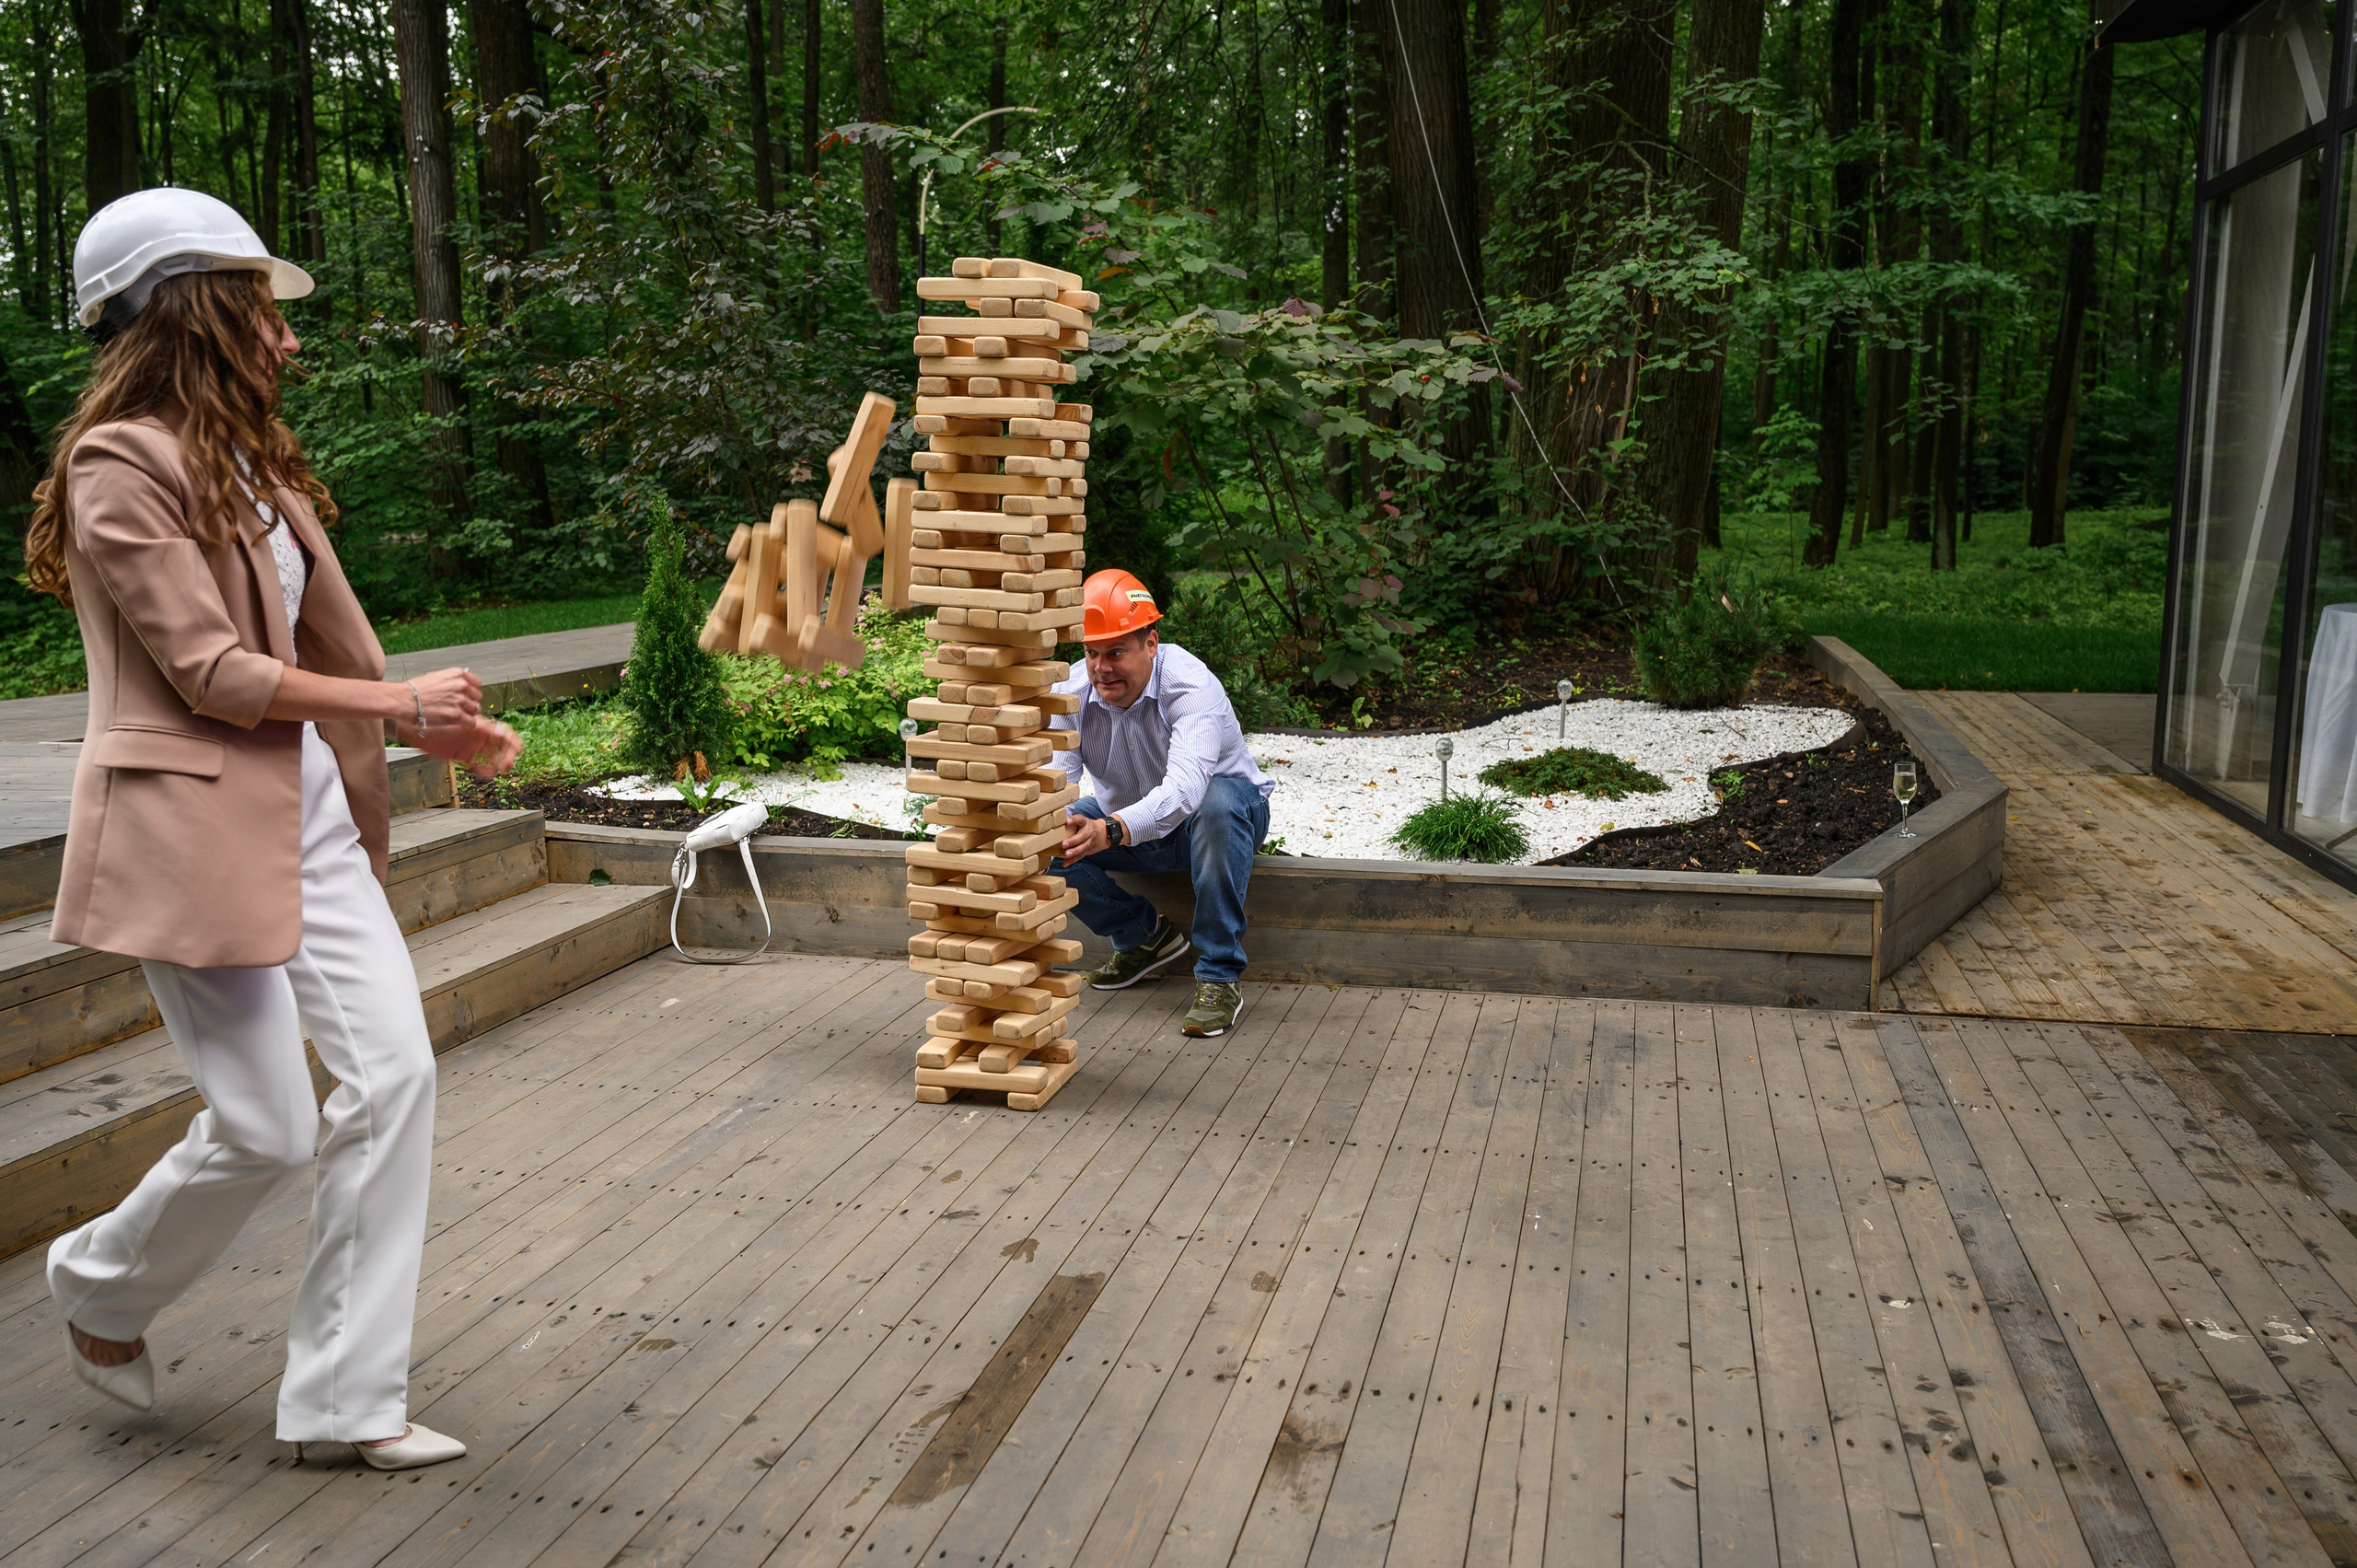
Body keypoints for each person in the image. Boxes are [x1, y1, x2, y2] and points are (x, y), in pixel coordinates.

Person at [21, 188, 521, 1470]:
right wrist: (398, 703)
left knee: (395, 1077)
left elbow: (319, 650)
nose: (289, 336)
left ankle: (348, 1399)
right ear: (187, 310)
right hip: (190, 835)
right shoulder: (116, 464)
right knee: (267, 1127)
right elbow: (208, 670)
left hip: (312, 825)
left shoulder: (258, 461)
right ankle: (99, 1280)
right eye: (261, 309)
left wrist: (424, 728)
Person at [1049, 570, 1274, 1038]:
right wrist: (1054, 823)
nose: (1101, 668)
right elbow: (1055, 786)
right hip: (1130, 826)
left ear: (1151, 643)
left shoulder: (1190, 685)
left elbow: (1186, 791)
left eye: (1116, 652)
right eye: (1091, 653)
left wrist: (1110, 829)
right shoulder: (1070, 695)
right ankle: (1143, 937)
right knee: (1043, 838)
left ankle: (1219, 975)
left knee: (1217, 802)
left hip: (1216, 822)